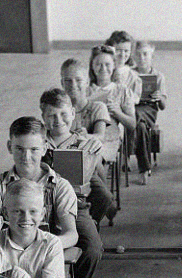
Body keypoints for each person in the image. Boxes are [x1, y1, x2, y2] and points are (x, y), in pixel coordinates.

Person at [0, 116, 101, 278]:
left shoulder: (60, 186)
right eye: (19, 149)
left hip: (46, 260)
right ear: (9, 147)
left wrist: (40, 247)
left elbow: (71, 234)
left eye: (34, 150)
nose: (26, 157)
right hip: (6, 258)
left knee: (92, 250)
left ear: (45, 147)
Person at [0, 179, 66, 278]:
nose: (26, 218)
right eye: (17, 211)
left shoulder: (51, 243)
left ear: (43, 214)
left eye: (33, 212)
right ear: (5, 213)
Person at [40, 87, 115, 226]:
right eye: (51, 116)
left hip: (79, 181)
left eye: (64, 114)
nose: (58, 120)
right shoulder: (40, 141)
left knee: (105, 196)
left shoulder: (83, 141)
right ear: (43, 118)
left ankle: (92, 221)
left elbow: (96, 167)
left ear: (73, 113)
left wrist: (96, 149)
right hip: (48, 183)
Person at [88, 45, 141, 183]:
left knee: (93, 158)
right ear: (92, 66)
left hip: (109, 138)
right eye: (98, 64)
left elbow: (132, 124)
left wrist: (117, 112)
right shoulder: (85, 90)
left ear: (114, 66)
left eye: (107, 64)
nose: (103, 69)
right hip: (87, 136)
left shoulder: (122, 91)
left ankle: (100, 194)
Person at [132, 40, 167, 184]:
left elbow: (163, 105)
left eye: (145, 54)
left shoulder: (159, 76)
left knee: (137, 118)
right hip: (132, 108)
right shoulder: (130, 74)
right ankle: (144, 168)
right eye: (138, 55)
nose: (142, 58)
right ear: (134, 56)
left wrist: (159, 97)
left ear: (152, 56)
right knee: (139, 126)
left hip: (149, 109)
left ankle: (141, 166)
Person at [60, 58, 113, 138]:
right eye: (68, 80)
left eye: (78, 80)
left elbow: (100, 136)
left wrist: (86, 136)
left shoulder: (98, 108)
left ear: (87, 82)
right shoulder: (58, 110)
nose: (73, 85)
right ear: (62, 83)